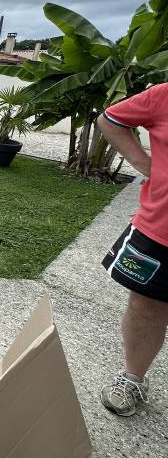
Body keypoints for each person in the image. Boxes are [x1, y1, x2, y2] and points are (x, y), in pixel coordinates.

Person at [97, 82, 168, 416]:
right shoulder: (163, 95)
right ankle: (133, 378)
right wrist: (144, 164)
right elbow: (110, 119)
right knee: (145, 305)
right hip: (161, 225)